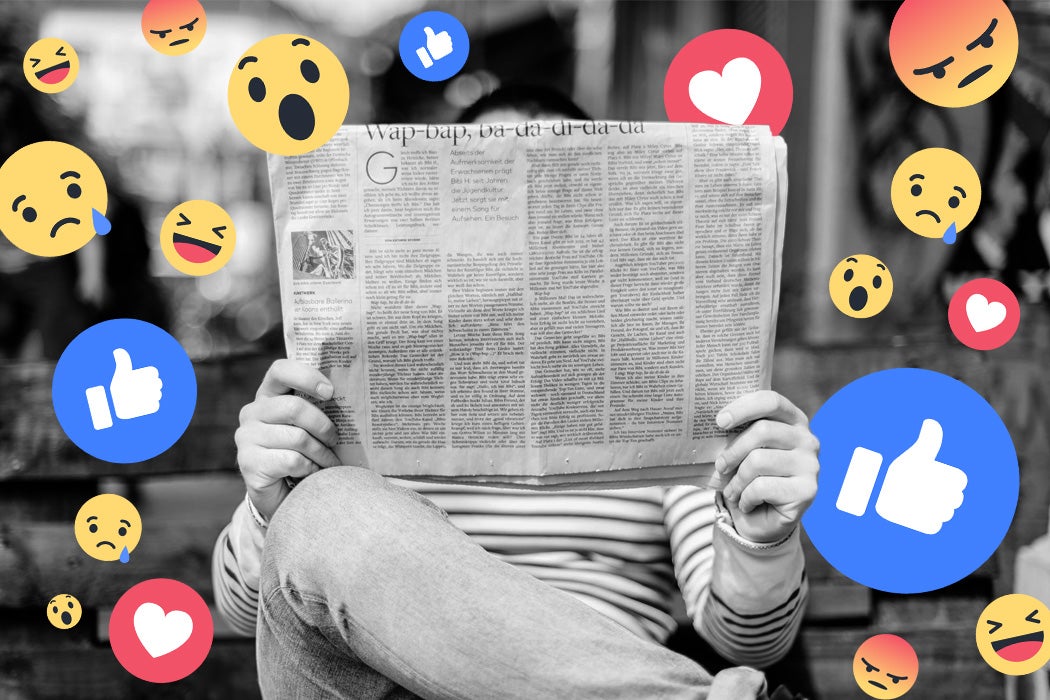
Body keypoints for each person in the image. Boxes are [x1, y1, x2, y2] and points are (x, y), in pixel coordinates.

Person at [213, 86, 818, 700]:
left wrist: (759, 539)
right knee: (325, 507)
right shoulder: (348, 382)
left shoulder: (668, 385)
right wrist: (272, 501)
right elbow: (247, 612)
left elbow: (749, 643)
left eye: (561, 198)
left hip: (604, 665)